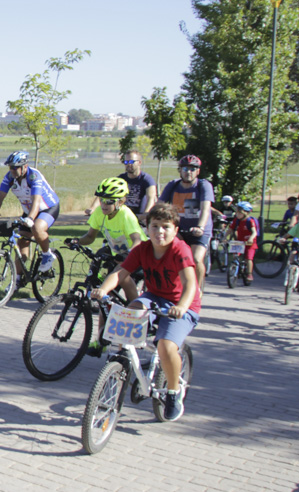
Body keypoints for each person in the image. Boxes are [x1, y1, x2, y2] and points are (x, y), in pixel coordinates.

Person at [91, 203, 201, 421]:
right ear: (147, 228)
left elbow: (190, 284)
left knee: (165, 346)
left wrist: (181, 307)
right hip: (154, 297)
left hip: (181, 303)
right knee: (130, 312)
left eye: (165, 227)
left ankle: (172, 392)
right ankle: (121, 362)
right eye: (155, 226)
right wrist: (103, 289)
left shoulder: (180, 250)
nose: (159, 231)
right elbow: (120, 272)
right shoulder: (142, 249)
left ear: (175, 230)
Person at [65, 177, 145, 355]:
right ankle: (101, 340)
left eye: (109, 201)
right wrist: (77, 241)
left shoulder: (126, 215)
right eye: (102, 200)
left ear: (121, 201)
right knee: (104, 294)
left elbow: (137, 241)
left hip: (138, 256)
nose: (104, 204)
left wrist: (127, 255)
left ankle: (137, 311)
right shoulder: (99, 213)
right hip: (118, 257)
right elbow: (90, 237)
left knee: (122, 278)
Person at [0, 150, 60, 273]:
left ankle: (47, 254)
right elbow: (0, 196)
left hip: (48, 208)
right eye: (10, 167)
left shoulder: (34, 176)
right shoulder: (10, 177)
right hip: (30, 210)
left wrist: (30, 219)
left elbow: (36, 201)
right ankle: (19, 279)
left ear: (24, 167)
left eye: (15, 168)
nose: (12, 170)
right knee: (22, 243)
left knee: (37, 228)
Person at [157, 154, 213, 291]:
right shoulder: (173, 185)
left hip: (199, 230)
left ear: (198, 171)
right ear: (180, 170)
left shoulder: (203, 185)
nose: (189, 172)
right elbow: (159, 206)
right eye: (185, 168)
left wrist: (200, 226)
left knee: (196, 259)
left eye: (193, 169)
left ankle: (197, 291)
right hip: (179, 229)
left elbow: (205, 208)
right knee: (167, 255)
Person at [83, 150, 156, 217]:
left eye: (131, 162)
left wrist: (145, 214)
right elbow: (103, 193)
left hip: (138, 216)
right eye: (126, 162)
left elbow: (151, 198)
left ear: (139, 162)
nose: (128, 165)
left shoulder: (146, 179)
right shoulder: (120, 179)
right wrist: (92, 208)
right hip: (121, 215)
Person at [228, 201, 259, 282]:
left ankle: (249, 274)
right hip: (240, 242)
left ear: (245, 213)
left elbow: (254, 232)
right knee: (235, 255)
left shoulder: (250, 221)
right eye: (237, 212)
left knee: (248, 258)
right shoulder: (236, 220)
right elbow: (230, 229)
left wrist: (251, 238)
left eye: (239, 213)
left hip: (249, 243)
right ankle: (234, 267)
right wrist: (224, 237)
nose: (237, 214)